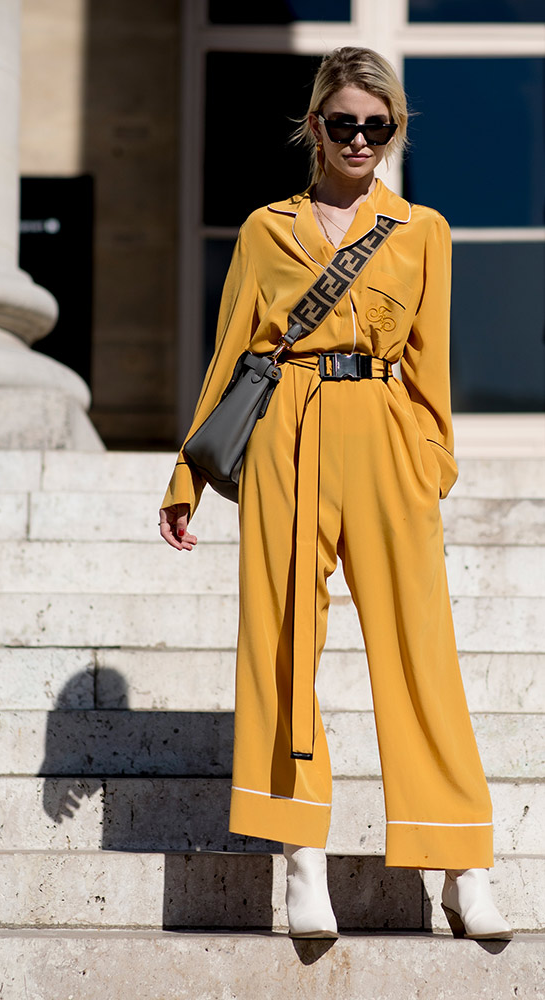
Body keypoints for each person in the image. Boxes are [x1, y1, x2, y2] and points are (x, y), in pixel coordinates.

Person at [159, 46, 511, 941]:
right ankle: (299, 863)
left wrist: (430, 461)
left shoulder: (419, 229)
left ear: (394, 132)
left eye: (377, 125)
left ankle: (460, 862)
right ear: (314, 126)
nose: (360, 139)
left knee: (420, 651)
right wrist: (188, 476)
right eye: (344, 121)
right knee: (279, 647)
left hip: (385, 436)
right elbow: (232, 351)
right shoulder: (263, 228)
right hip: (285, 435)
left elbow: (431, 362)